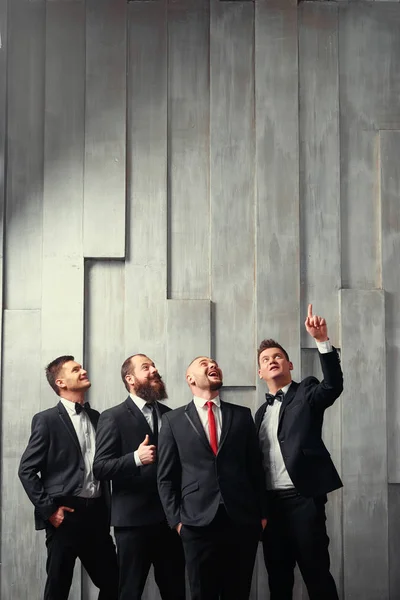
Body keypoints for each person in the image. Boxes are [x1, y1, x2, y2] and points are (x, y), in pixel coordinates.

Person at [157, 355, 266, 600]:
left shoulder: (242, 415)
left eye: (214, 363)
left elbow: (255, 468)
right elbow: (165, 477)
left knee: (238, 592)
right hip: (195, 522)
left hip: (241, 520)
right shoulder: (172, 420)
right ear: (190, 378)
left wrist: (262, 514)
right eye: (204, 364)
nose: (213, 365)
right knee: (201, 593)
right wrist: (176, 521)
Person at [255, 304, 343, 600]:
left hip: (304, 500)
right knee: (278, 582)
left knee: (317, 576)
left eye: (278, 356)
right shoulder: (259, 414)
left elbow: (332, 386)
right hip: (271, 509)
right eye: (266, 359)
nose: (272, 360)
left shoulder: (307, 391)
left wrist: (322, 341)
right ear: (260, 371)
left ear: (290, 365)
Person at [18, 355, 118, 600]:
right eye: (76, 369)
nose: (83, 370)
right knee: (58, 588)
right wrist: (50, 510)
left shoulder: (98, 418)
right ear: (61, 382)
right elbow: (27, 470)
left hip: (96, 514)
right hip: (64, 516)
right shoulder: (46, 420)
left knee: (115, 583)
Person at [93, 354, 185, 600]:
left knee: (175, 591)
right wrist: (135, 458)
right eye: (146, 367)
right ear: (130, 379)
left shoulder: (171, 415)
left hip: (170, 521)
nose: (155, 370)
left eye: (154, 365)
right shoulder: (112, 416)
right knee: (129, 593)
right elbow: (100, 468)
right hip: (132, 524)